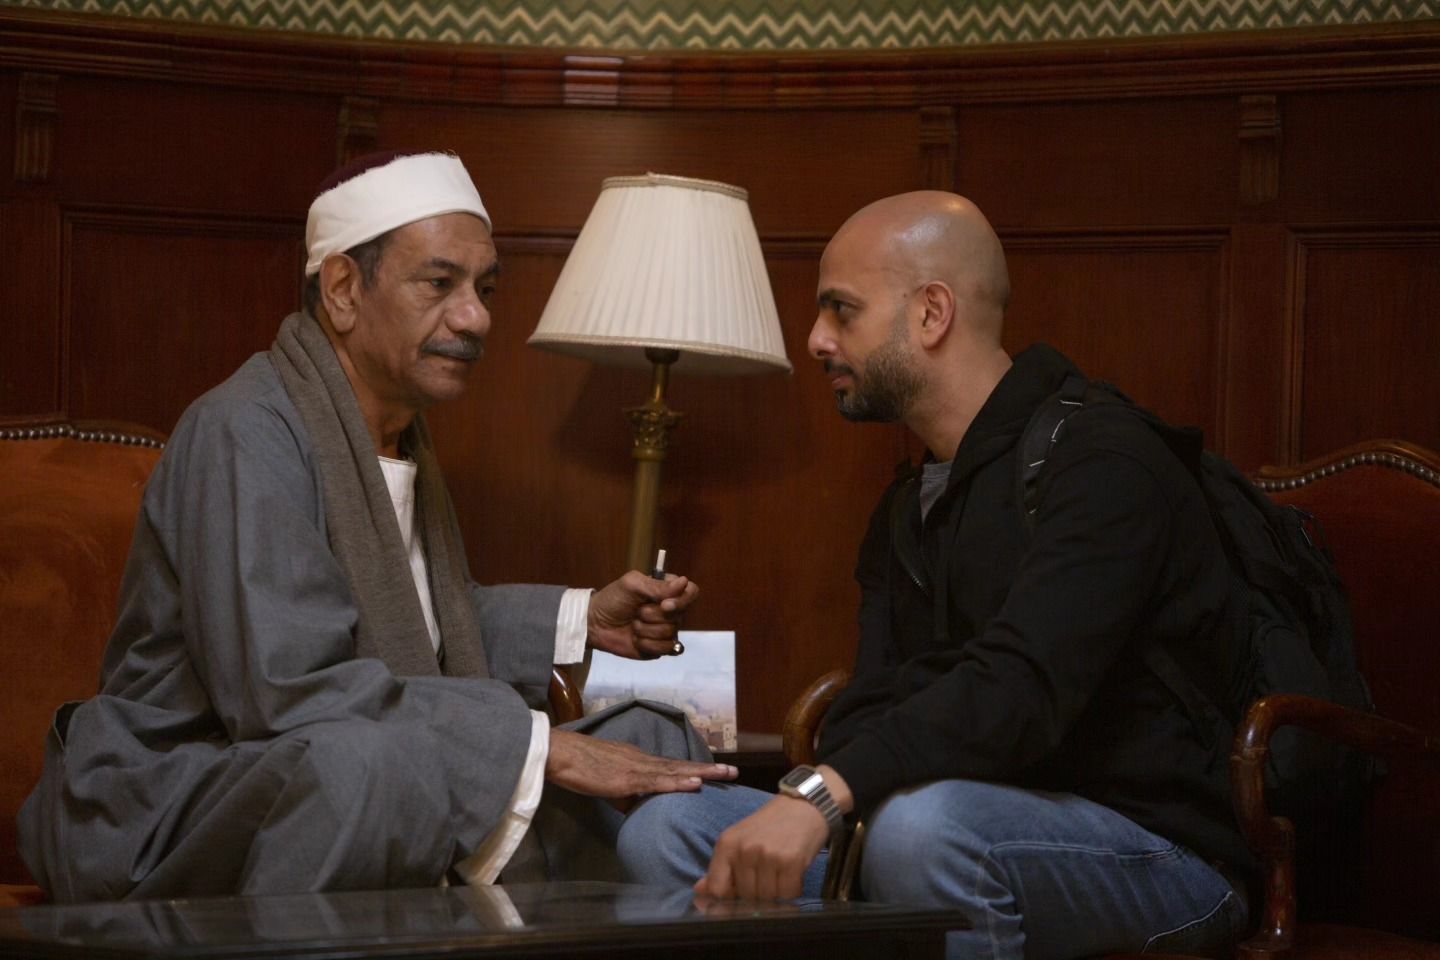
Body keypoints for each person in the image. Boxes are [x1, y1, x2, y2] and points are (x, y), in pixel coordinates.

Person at [18, 151, 736, 903]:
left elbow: (421, 628)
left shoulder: (399, 433)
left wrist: (584, 619)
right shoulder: (242, 430)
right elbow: (286, 688)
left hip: (345, 763)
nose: (477, 317)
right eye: (440, 283)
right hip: (176, 793)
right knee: (369, 770)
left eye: (485, 288)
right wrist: (534, 747)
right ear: (342, 290)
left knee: (651, 736)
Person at [618, 191, 1253, 959]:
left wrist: (825, 792)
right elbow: (870, 702)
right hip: (940, 816)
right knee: (668, 830)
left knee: (923, 833)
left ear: (931, 314)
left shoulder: (1105, 463)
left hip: (1160, 851)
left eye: (842, 310)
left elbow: (1022, 688)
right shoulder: (908, 503)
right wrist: (830, 792)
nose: (816, 339)